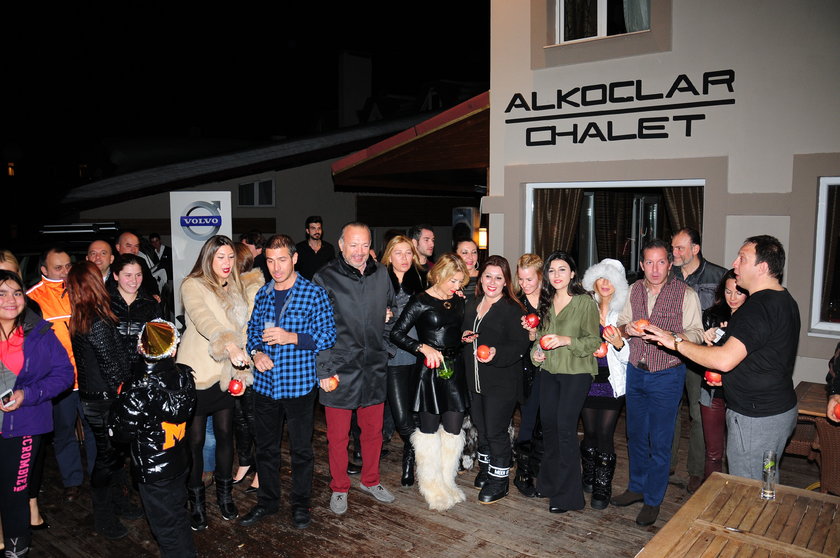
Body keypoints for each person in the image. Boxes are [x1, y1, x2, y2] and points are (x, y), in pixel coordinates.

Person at [645, 235, 799, 484]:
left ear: (762, 267)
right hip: (777, 410)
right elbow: (764, 357)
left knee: (749, 488)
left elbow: (725, 359)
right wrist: (728, 379)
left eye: (742, 259)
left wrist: (675, 342)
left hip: (756, 418)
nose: (734, 264)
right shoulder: (783, 298)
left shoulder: (758, 308)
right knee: (766, 482)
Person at [239, 234, 336, 530]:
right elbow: (253, 332)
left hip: (298, 385)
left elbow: (328, 336)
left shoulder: (314, 293)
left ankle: (300, 504)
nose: (276, 267)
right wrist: (256, 353)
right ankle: (267, 501)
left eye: (282, 260)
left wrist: (292, 337)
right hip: (265, 384)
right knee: (265, 448)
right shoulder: (263, 293)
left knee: (301, 450)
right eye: (270, 261)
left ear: (294, 258)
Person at [610, 239, 704, 527]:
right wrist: (627, 329)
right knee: (636, 435)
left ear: (670, 264)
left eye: (661, 262)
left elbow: (697, 334)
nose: (655, 268)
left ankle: (653, 500)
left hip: (667, 374)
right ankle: (637, 487)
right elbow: (622, 326)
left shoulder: (686, 294)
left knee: (660, 440)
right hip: (636, 371)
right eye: (649, 262)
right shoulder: (634, 290)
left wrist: (671, 337)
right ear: (641, 265)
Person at [313, 222, 396, 515]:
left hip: (373, 366)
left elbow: (392, 310)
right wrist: (324, 370)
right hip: (339, 368)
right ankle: (339, 487)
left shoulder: (381, 273)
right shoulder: (325, 277)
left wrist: (385, 343)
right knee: (338, 436)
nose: (359, 251)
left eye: (364, 245)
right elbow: (317, 327)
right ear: (341, 245)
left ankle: (371, 480)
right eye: (353, 245)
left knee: (373, 432)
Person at [176, 235, 251, 530]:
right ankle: (196, 502)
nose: (227, 263)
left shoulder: (236, 287)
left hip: (225, 375)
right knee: (194, 441)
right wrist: (229, 345)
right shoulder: (192, 285)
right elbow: (204, 319)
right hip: (196, 374)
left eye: (230, 257)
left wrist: (244, 358)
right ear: (208, 258)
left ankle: (224, 496)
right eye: (220, 257)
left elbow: (244, 327)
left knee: (225, 435)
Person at [0, 270, 74, 558]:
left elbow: (64, 374)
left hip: (24, 425)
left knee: (15, 492)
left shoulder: (39, 332)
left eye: (17, 293)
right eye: (2, 293)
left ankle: (17, 549)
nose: (11, 299)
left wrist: (26, 394)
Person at [109, 320, 197, 558]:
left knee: (165, 528)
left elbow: (120, 434)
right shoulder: (185, 377)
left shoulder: (137, 390)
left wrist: (119, 404)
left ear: (140, 348)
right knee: (178, 514)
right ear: (174, 350)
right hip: (179, 461)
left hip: (154, 470)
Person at [67, 261, 140, 540]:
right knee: (107, 459)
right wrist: (128, 391)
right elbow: (112, 367)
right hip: (105, 400)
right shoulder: (96, 320)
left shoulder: (83, 316)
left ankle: (119, 503)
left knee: (114, 455)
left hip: (95, 399)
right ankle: (104, 516)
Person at [390, 253, 469, 511]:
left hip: (454, 369)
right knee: (428, 432)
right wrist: (422, 347)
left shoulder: (458, 299)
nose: (456, 286)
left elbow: (453, 330)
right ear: (439, 276)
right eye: (452, 280)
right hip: (430, 371)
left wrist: (463, 336)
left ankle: (447, 482)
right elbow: (396, 333)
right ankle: (431, 487)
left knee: (454, 430)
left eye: (460, 281)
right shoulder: (420, 300)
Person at [530, 252, 600, 514]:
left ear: (572, 273)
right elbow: (540, 338)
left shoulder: (584, 302)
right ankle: (548, 483)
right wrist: (537, 353)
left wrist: (566, 340)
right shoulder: (546, 301)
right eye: (551, 270)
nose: (556, 275)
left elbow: (593, 341)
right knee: (549, 428)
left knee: (565, 429)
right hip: (550, 370)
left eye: (562, 269)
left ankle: (569, 496)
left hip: (576, 372)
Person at [26, 247, 96, 504]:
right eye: (58, 268)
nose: (65, 272)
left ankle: (98, 478)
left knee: (94, 431)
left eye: (68, 266)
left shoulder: (82, 290)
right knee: (64, 433)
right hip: (59, 382)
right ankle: (72, 481)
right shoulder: (32, 299)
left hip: (88, 377)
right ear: (44, 270)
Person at [462, 255, 530, 504]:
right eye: (488, 276)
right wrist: (464, 335)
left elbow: (520, 345)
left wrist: (495, 352)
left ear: (506, 282)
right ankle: (486, 468)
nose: (492, 282)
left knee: (495, 431)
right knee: (481, 427)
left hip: (501, 382)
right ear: (481, 278)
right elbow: (465, 332)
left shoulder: (513, 309)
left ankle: (499, 481)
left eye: (498, 278)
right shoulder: (472, 303)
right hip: (475, 380)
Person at [670, 228, 727, 493]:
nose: (674, 253)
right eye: (673, 247)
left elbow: (729, 313)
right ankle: (667, 464)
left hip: (700, 356)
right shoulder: (668, 275)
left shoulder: (718, 276)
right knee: (669, 410)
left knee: (698, 413)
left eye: (680, 248)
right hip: (670, 352)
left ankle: (695, 471)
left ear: (696, 249)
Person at [580, 258, 630, 509]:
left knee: (604, 434)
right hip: (587, 379)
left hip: (612, 382)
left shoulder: (624, 313)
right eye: (601, 277)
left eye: (611, 278)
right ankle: (588, 474)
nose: (605, 283)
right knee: (589, 431)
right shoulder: (585, 308)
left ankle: (602, 485)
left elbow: (629, 356)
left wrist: (619, 344)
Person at [381, 235, 428, 487]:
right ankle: (422, 454)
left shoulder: (421, 280)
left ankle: (409, 461)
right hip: (393, 355)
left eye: (408, 253)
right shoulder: (379, 281)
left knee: (415, 411)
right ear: (389, 256)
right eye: (398, 253)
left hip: (419, 353)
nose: (404, 258)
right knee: (401, 417)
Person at [698, 269, 748, 481]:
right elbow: (703, 357)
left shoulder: (753, 318)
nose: (732, 298)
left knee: (741, 454)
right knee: (713, 452)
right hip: (713, 392)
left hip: (742, 394)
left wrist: (729, 336)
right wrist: (708, 341)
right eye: (728, 292)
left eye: (738, 292)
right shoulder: (712, 315)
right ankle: (708, 496)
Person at [231, 243, 265, 494]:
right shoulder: (229, 287)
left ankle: (263, 469)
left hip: (250, 363)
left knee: (254, 419)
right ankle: (245, 462)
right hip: (233, 363)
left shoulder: (253, 288)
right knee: (239, 418)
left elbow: (252, 329)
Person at [512, 253, 543, 497]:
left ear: (541, 277)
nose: (524, 284)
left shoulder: (553, 300)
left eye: (529, 279)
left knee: (546, 422)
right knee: (529, 421)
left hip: (553, 368)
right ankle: (522, 474)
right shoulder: (516, 304)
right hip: (525, 368)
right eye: (521, 279)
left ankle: (539, 469)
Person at [109, 254, 163, 367]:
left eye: (138, 275)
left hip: (142, 369)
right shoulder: (104, 304)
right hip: (111, 369)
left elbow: (158, 342)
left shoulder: (151, 304)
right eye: (128, 275)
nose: (134, 280)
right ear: (116, 276)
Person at [295, 216, 336, 281]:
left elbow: (333, 271)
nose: (317, 231)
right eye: (313, 228)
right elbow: (294, 270)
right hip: (305, 285)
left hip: (323, 285)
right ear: (307, 231)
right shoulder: (299, 248)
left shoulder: (329, 248)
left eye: (319, 228)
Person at [455, 239, 480, 304]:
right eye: (465, 252)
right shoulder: (449, 279)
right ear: (455, 255)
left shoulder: (485, 278)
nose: (470, 257)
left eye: (474, 252)